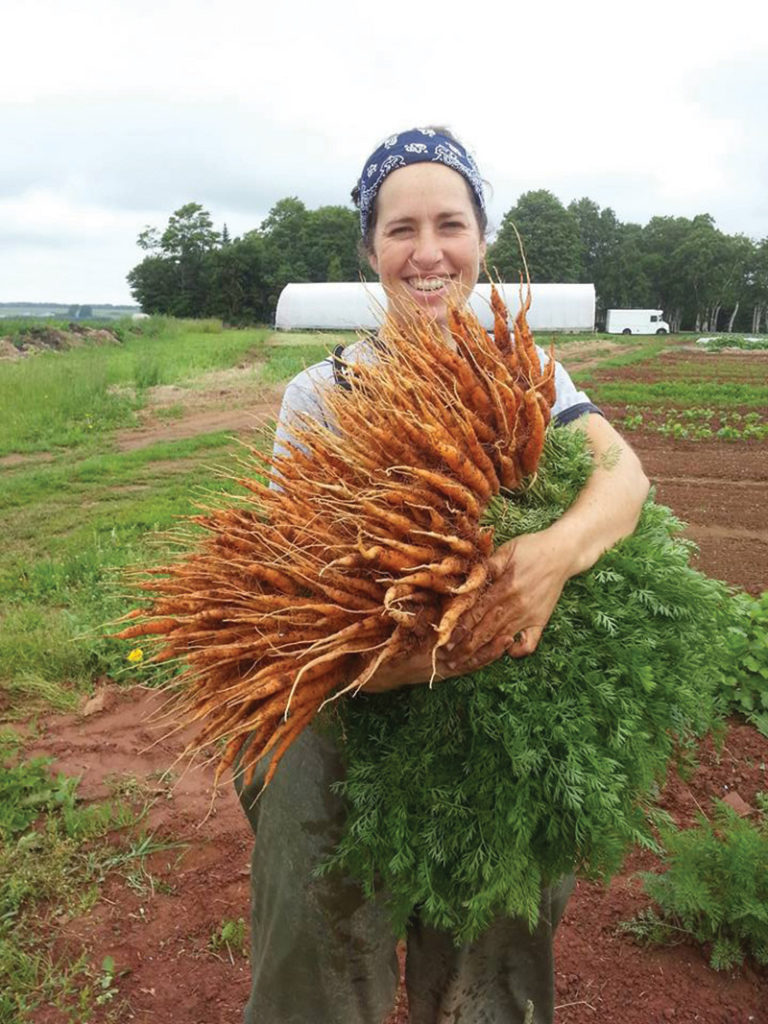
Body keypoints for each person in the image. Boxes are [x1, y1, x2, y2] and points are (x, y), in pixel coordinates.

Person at [235, 127, 650, 1024]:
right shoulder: (322, 394)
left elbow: (626, 479)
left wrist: (550, 556)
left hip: (505, 690)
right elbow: (294, 612)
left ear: (481, 239)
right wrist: (419, 655)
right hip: (347, 698)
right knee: (317, 931)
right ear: (371, 250)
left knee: (493, 954)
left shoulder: (529, 368)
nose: (428, 253)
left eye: (450, 224)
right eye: (401, 230)